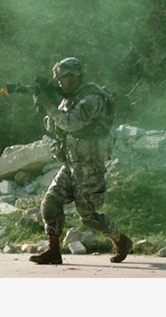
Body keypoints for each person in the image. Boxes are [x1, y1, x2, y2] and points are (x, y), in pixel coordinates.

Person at [28, 57, 132, 265]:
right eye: (57, 79)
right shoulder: (69, 99)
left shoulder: (91, 99)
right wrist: (46, 106)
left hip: (90, 165)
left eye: (62, 78)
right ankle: (53, 250)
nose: (59, 83)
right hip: (72, 162)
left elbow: (72, 123)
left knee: (89, 218)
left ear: (75, 76)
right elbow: (54, 126)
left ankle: (121, 241)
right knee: (50, 203)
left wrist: (50, 105)